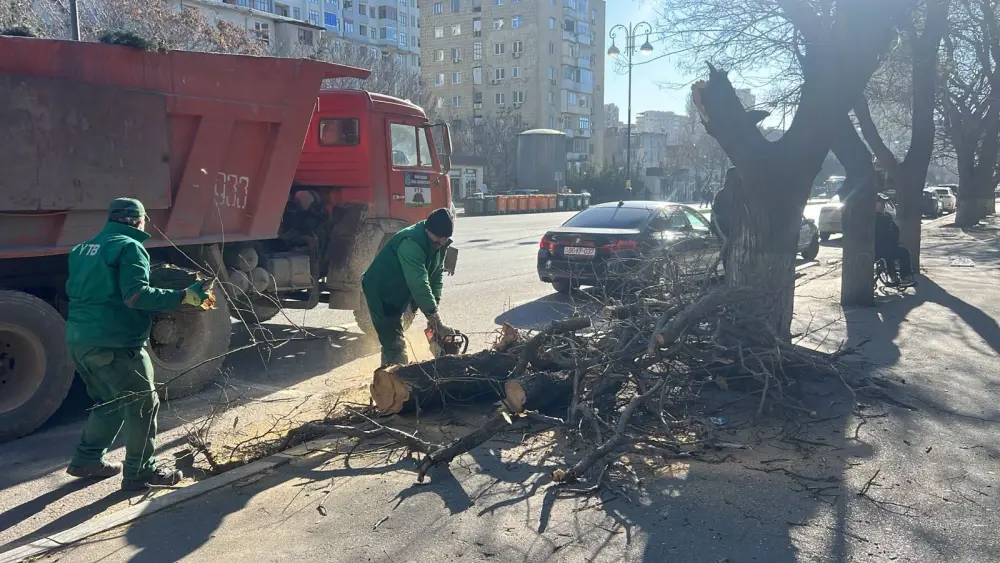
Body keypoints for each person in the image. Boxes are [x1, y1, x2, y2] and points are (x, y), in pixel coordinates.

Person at [65, 198, 215, 490]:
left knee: (109, 401)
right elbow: (135, 296)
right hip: (116, 343)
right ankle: (140, 472)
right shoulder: (130, 247)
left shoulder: (81, 248)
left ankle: (87, 460)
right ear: (138, 221)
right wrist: (183, 296)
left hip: (80, 340)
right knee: (143, 404)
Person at [361, 208, 457, 366]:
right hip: (382, 290)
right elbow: (419, 283)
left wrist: (434, 311)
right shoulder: (411, 243)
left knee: (397, 331)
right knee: (394, 342)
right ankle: (394, 379)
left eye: (445, 239)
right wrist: (435, 319)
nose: (440, 243)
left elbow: (436, 276)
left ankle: (391, 373)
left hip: (401, 289)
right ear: (427, 230)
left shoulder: (439, 245)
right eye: (437, 239)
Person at [874, 196, 915, 286]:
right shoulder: (872, 218)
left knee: (904, 252)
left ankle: (905, 276)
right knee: (888, 256)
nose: (884, 205)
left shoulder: (887, 216)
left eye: (884, 203)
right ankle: (892, 277)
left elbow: (895, 231)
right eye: (882, 203)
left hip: (889, 245)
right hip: (877, 247)